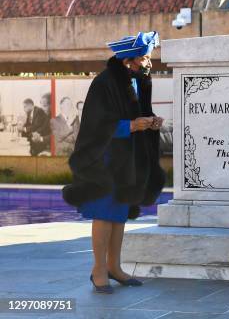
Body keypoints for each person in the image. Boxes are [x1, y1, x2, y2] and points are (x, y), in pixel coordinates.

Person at [62, 31, 166, 294]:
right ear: (127, 60)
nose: (148, 62)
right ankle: (98, 270)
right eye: (143, 57)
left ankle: (114, 267)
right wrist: (130, 125)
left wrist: (150, 121)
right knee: (104, 213)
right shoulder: (104, 82)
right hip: (105, 160)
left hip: (127, 158)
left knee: (119, 215)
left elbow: (137, 113)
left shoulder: (137, 81)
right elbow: (96, 125)